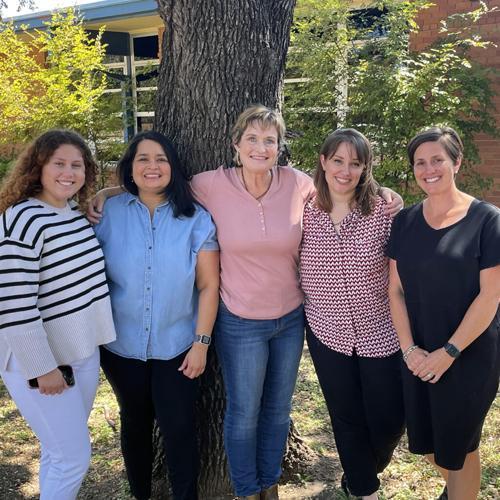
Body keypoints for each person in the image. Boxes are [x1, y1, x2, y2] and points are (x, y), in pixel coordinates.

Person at [88, 105, 403, 500]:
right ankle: (246, 490)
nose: (260, 147)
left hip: (291, 318)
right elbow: (159, 184)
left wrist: (384, 192)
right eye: (252, 138)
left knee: (278, 411)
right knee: (243, 413)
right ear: (235, 144)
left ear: (280, 147)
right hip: (240, 321)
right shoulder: (211, 185)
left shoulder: (298, 184)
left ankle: (269, 483)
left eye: (269, 140)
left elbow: (343, 187)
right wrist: (110, 191)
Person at [92, 131, 220, 500]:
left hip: (178, 348)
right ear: (130, 168)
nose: (153, 166)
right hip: (121, 347)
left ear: (173, 167)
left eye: (161, 159)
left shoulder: (196, 218)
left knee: (179, 429)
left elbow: (208, 286)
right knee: (134, 425)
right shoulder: (106, 214)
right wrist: (106, 193)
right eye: (143, 159)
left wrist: (201, 343)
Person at [0, 129, 117, 500]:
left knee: (58, 452)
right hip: (41, 363)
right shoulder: (22, 220)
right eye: (59, 164)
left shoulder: (73, 214)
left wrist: (107, 192)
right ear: (38, 167)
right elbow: (13, 301)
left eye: (77, 166)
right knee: (72, 458)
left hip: (81, 351)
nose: (68, 173)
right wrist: (42, 368)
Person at [387, 127, 500, 500]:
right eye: (420, 162)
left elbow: (490, 296)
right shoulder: (404, 222)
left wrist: (449, 352)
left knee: (461, 448)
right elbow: (395, 290)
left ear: (457, 162)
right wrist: (409, 350)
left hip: (469, 354)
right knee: (432, 446)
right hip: (418, 353)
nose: (428, 169)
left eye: (438, 160)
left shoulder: (487, 221)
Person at [300, 129, 405, 500]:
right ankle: (363, 489)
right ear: (324, 162)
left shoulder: (383, 211)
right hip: (326, 330)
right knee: (346, 417)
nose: (345, 171)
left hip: (382, 330)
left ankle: (363, 468)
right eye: (338, 161)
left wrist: (392, 194)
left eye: (355, 163)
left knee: (391, 418)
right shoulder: (302, 211)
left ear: (365, 168)